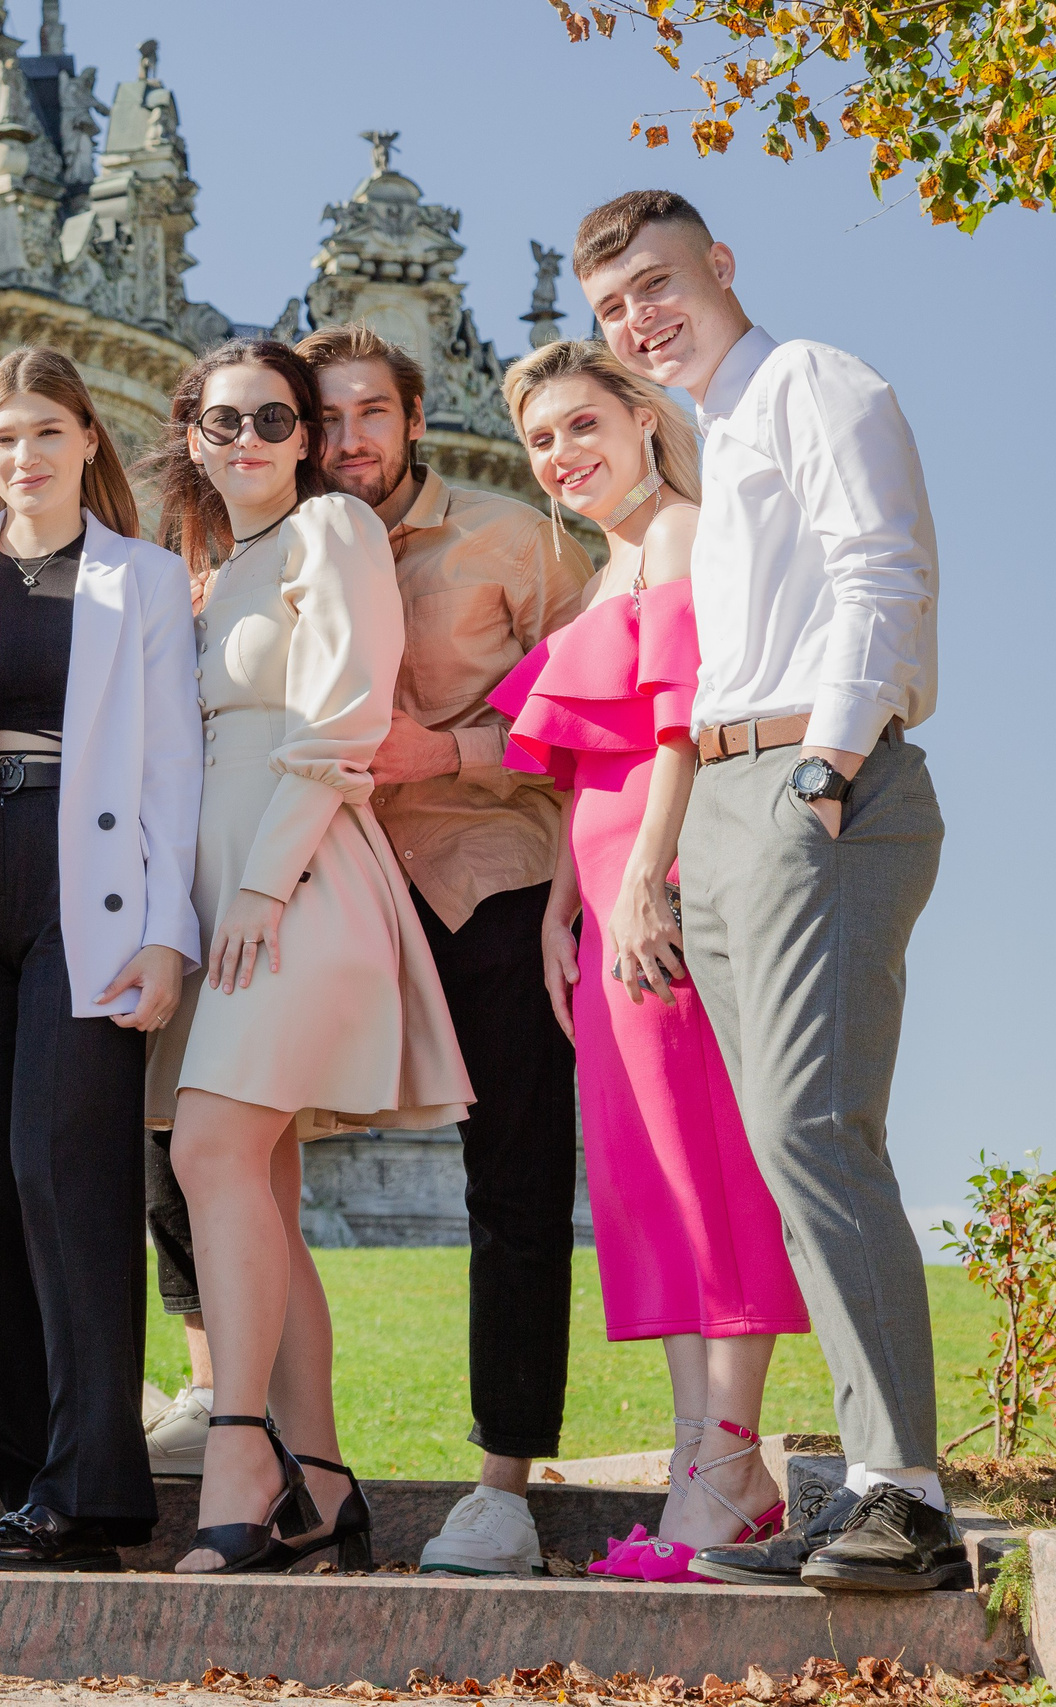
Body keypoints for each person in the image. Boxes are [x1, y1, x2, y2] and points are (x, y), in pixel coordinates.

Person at [578, 191, 957, 1592]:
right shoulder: (714, 437)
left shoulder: (810, 380)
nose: (641, 319)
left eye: (660, 285)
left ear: (722, 264)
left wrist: (826, 767)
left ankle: (905, 1493)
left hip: (819, 775)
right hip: (732, 798)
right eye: (615, 307)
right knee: (785, 1146)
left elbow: (879, 569)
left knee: (815, 1126)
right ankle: (856, 1486)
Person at [144, 339, 472, 1576]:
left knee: (210, 1147)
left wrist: (261, 885)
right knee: (259, 1194)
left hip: (295, 875)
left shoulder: (334, 533)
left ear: (304, 437)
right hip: (222, 881)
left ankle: (240, 1448)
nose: (245, 440)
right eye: (221, 421)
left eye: (271, 419)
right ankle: (323, 1479)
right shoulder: (218, 573)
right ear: (192, 435)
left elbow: (344, 720)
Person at [488, 340, 810, 1574]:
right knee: (650, 1182)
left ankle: (726, 1463)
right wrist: (561, 907)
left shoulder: (678, 531)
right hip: (609, 889)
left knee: (706, 1165)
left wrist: (636, 891)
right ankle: (704, 1464)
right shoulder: (600, 565)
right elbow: (583, 764)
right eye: (540, 442)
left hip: (665, 883)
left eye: (581, 426)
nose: (563, 457)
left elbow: (676, 729)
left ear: (640, 416)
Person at [0, 347, 201, 1571]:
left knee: (59, 1174)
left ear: (86, 444)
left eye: (48, 434)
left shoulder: (148, 579)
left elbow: (174, 762)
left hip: (93, 886)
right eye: (4, 437)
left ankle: (90, 1487)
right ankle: (29, 1488)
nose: (25, 457)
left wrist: (168, 934)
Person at [294, 324, 594, 1577]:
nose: (347, 439)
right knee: (198, 1129)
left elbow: (593, 709)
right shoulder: (278, 542)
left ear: (415, 420)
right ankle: (247, 1423)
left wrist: (450, 753)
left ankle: (502, 1487)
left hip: (492, 881)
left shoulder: (514, 540)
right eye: (325, 419)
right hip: (334, 888)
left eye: (371, 413)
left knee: (516, 1185)